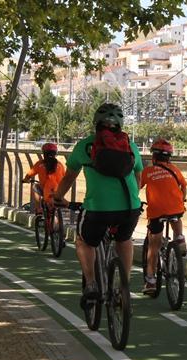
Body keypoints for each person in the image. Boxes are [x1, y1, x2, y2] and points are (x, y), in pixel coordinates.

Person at [53, 103, 143, 305]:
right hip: (130, 208)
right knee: (124, 239)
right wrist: (134, 198)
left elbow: (68, 179)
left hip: (98, 210)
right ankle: (124, 287)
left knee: (84, 241)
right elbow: (138, 178)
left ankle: (92, 284)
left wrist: (57, 197)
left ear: (95, 124)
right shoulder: (131, 147)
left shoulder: (84, 146)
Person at [140, 139, 187, 294]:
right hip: (176, 207)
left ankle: (151, 281)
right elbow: (184, 186)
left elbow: (136, 187)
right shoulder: (175, 169)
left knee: (154, 247)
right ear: (169, 157)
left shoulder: (147, 171)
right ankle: (179, 237)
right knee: (176, 215)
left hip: (156, 212)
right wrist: (182, 198)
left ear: (153, 157)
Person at [22, 142, 65, 215]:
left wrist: (25, 180)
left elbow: (29, 174)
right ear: (55, 153)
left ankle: (39, 208)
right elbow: (64, 176)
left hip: (44, 189)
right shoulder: (60, 165)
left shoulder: (40, 164)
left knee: (35, 186)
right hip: (59, 190)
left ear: (44, 153)